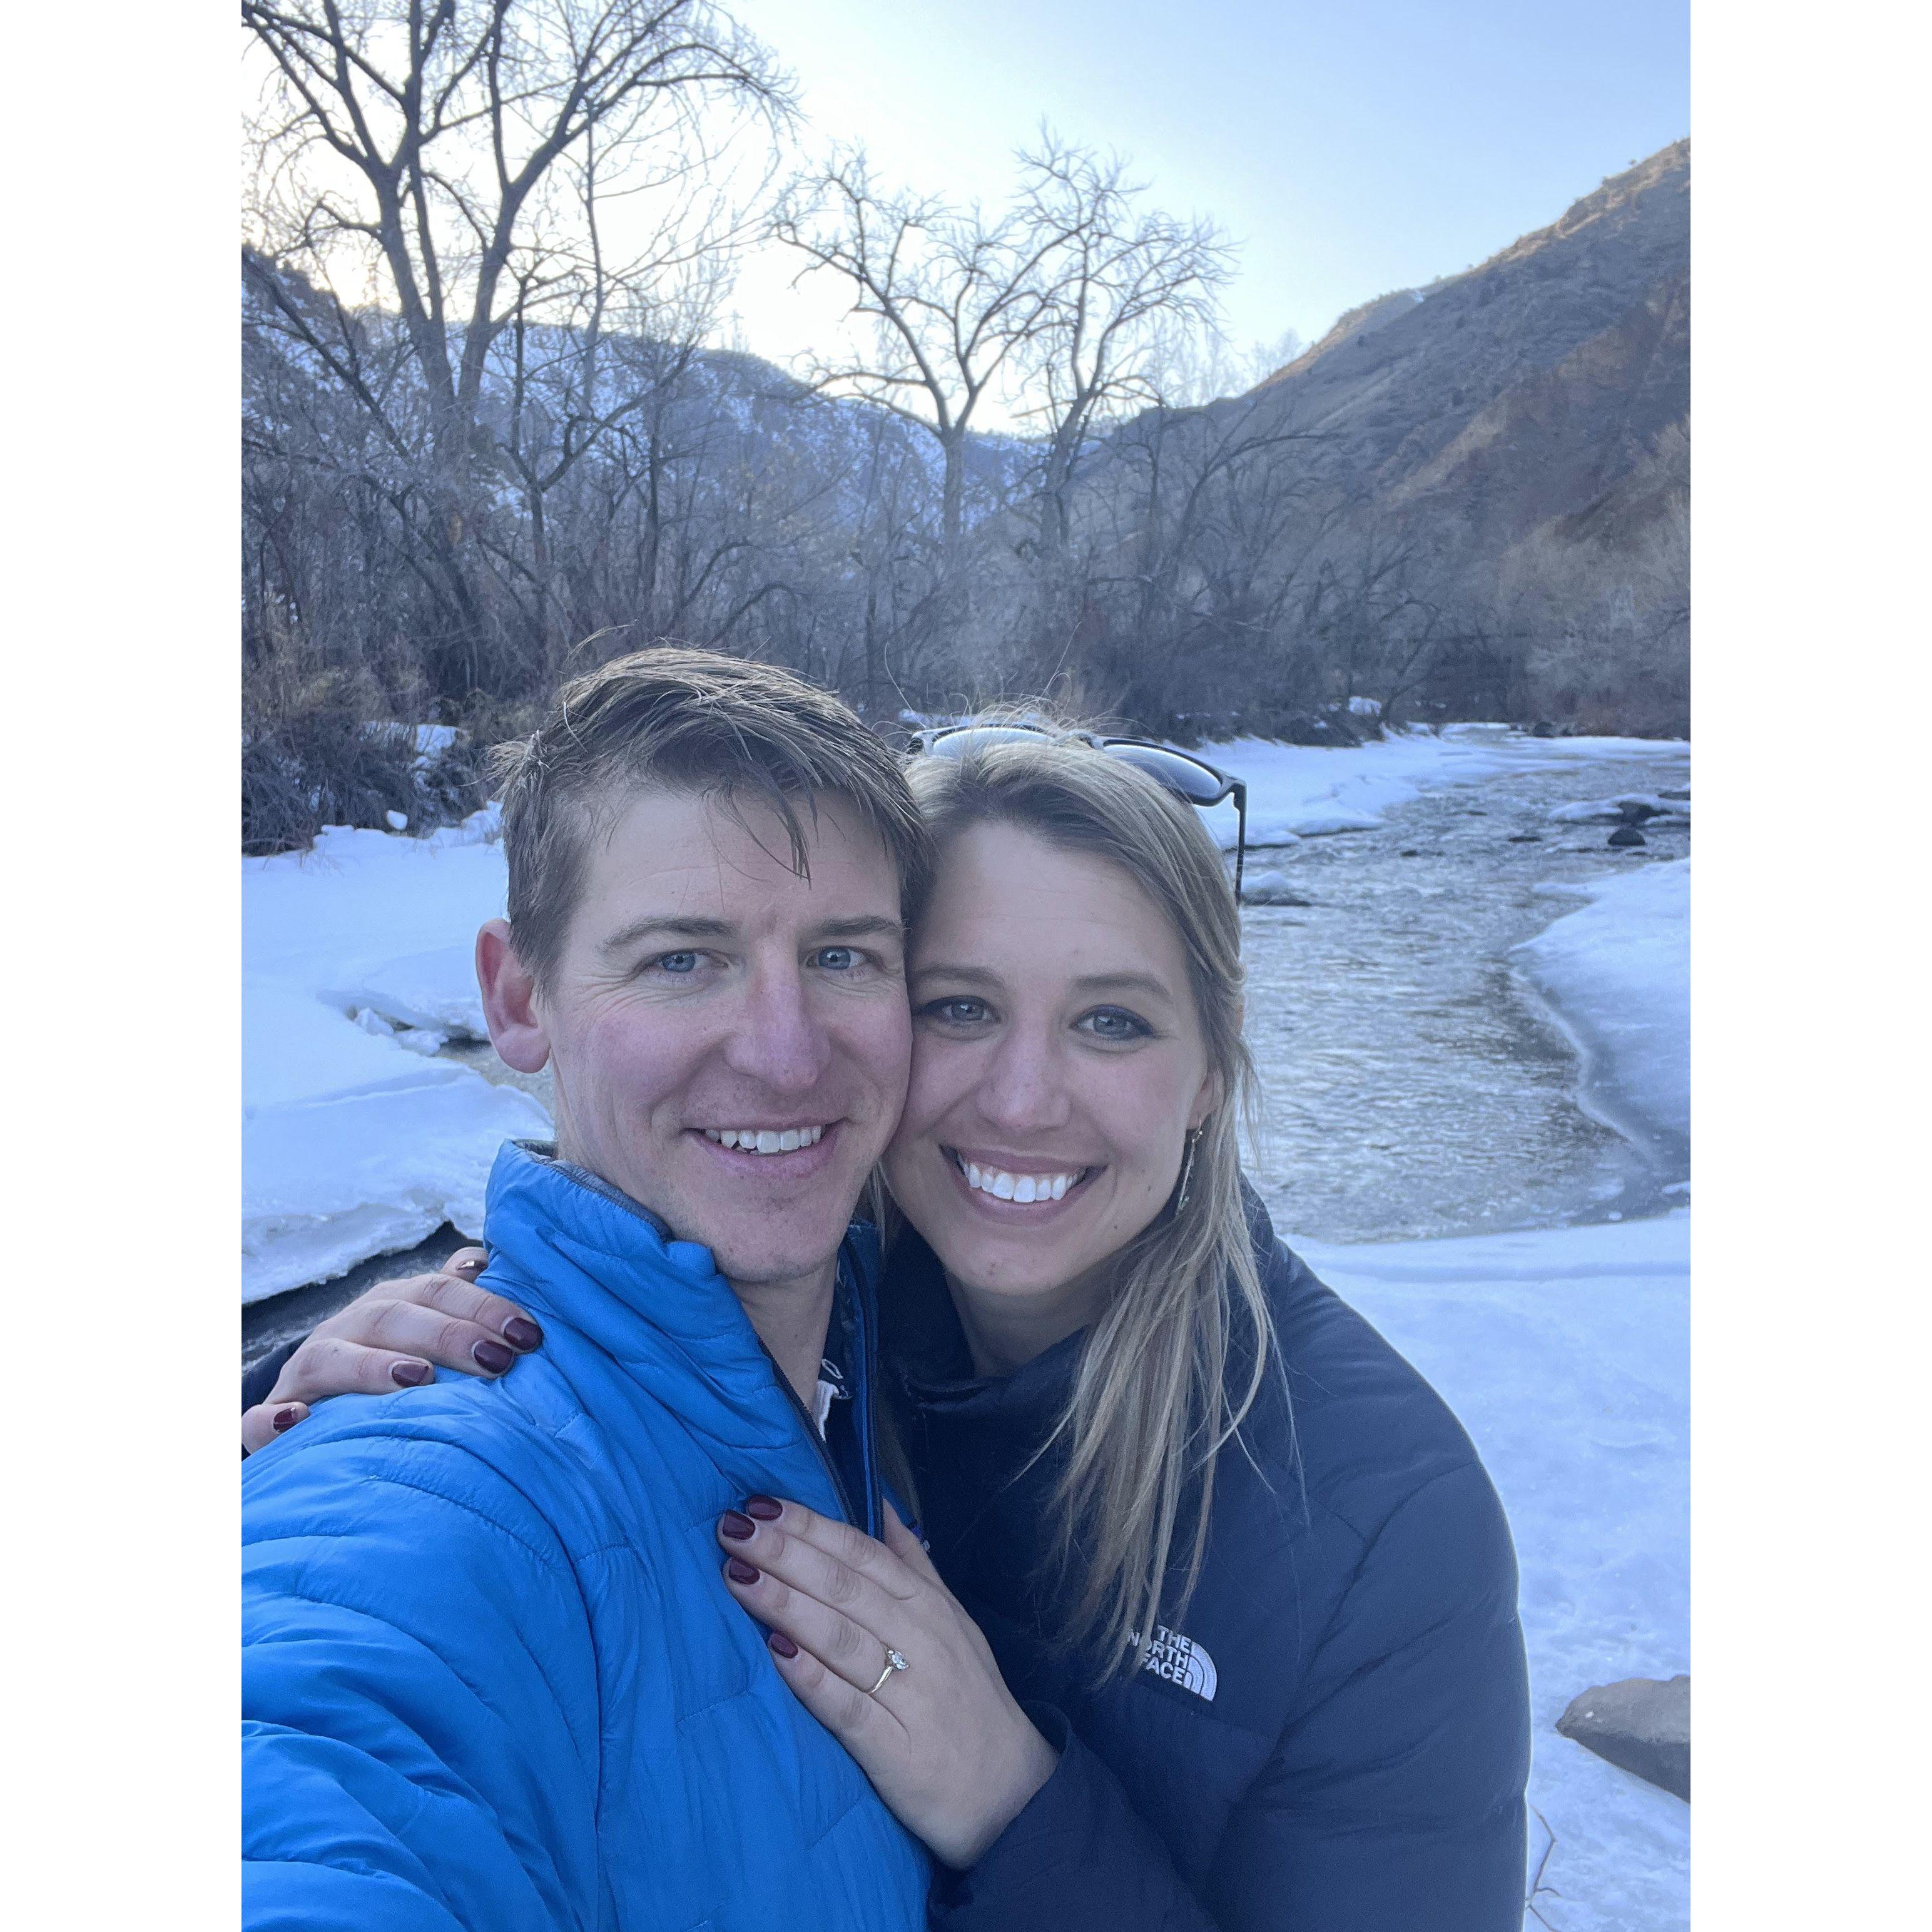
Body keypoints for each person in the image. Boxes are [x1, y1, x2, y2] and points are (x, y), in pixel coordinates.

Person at [248, 721, 1533, 1928]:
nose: (1023, 1099)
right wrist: (298, 1416)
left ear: (1209, 1063)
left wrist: (1014, 1802)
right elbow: (326, 1738)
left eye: (1111, 1019)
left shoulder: (1375, 1518)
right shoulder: (808, 1304)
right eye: (959, 1005)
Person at [242, 649, 985, 1931]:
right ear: (519, 998)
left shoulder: (897, 1350)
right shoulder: (439, 1483)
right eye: (680, 960)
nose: (786, 1047)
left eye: (845, 956)